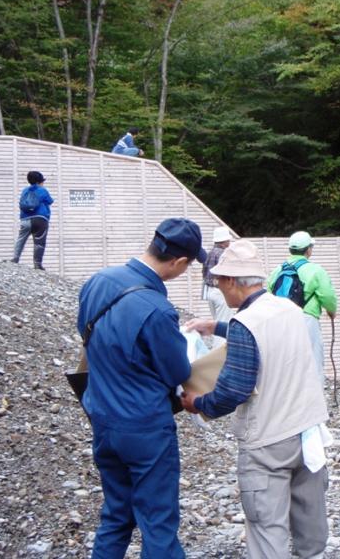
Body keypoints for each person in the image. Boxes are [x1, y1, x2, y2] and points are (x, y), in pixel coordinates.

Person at [182, 239, 329, 559]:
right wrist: (217, 326)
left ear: (233, 282)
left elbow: (233, 391)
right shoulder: (288, 308)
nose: (218, 287)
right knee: (310, 526)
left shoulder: (245, 324)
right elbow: (266, 336)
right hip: (307, 432)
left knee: (267, 529)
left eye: (219, 280)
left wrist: (198, 404)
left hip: (268, 441)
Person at [77, 217, 207, 559]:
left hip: (102, 418)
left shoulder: (98, 281)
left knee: (116, 514)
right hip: (145, 428)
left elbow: (86, 337)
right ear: (178, 262)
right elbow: (176, 371)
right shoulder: (157, 309)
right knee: (158, 522)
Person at [267, 231, 338, 381]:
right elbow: (327, 295)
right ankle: (315, 399)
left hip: (280, 320)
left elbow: (268, 294)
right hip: (307, 318)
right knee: (313, 360)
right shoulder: (316, 270)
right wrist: (331, 310)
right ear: (308, 250)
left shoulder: (277, 271)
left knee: (287, 361)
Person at [11, 170, 53, 270]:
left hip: (25, 219)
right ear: (40, 181)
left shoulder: (25, 190)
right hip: (40, 219)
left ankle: (15, 258)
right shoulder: (43, 190)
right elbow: (50, 201)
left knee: (21, 239)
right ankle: (37, 264)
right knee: (39, 242)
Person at [202, 226, 236, 341]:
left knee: (216, 323)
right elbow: (228, 275)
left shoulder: (210, 253)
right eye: (228, 240)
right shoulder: (223, 254)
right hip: (220, 293)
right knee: (222, 326)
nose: (229, 242)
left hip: (210, 292)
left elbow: (204, 273)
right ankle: (220, 357)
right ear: (224, 241)